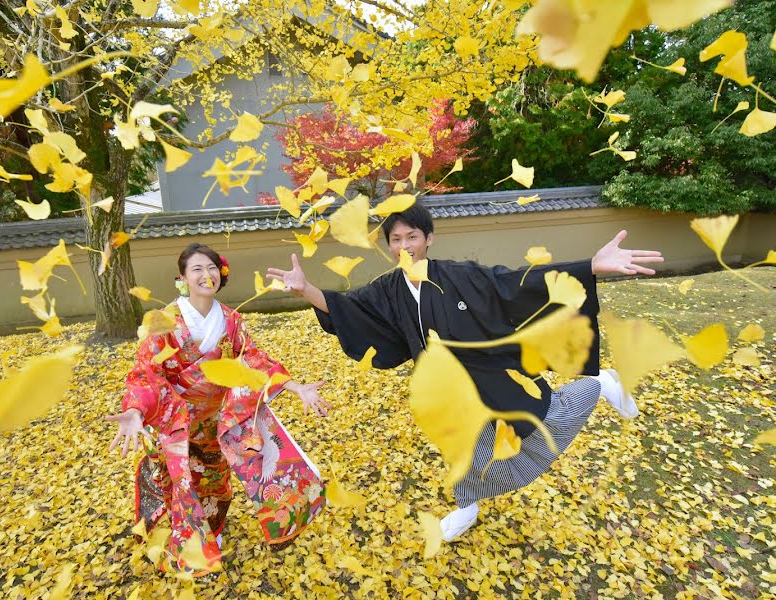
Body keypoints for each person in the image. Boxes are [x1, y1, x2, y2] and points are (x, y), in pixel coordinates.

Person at [266, 201, 663, 542]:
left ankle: (598, 384)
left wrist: (590, 265)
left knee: (547, 420)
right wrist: (305, 290)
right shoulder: (388, 289)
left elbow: (513, 285)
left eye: (412, 237)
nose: (405, 247)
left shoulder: (461, 275)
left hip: (492, 374)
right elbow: (348, 309)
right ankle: (467, 507)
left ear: (429, 238)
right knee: (464, 452)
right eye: (396, 240)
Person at [106, 243, 330, 577]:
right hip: (176, 420)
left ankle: (213, 528)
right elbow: (146, 372)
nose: (205, 275)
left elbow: (253, 359)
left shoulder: (231, 320)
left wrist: (295, 387)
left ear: (220, 274)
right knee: (179, 480)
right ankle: (185, 538)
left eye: (211, 268)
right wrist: (137, 410)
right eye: (196, 269)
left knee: (214, 479)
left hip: (217, 419)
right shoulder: (165, 321)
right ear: (182, 278)